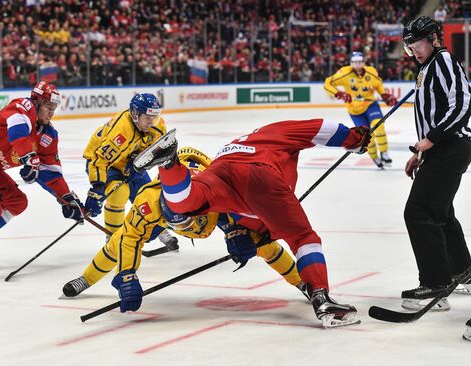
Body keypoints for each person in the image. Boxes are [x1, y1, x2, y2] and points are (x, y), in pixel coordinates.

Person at [134, 119, 371, 328]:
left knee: (187, 203)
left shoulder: (242, 140)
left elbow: (246, 208)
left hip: (222, 166)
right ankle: (322, 298)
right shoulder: (277, 131)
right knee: (302, 238)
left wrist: (238, 231)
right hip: (259, 172)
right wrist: (354, 139)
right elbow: (323, 127)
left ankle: (168, 164)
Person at [63, 147, 309, 307]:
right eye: (177, 223)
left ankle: (302, 282)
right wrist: (127, 275)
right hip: (181, 201)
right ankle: (86, 278)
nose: (185, 227)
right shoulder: (149, 202)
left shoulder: (214, 191)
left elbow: (249, 209)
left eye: (187, 220)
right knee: (119, 240)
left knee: (263, 244)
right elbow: (130, 239)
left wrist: (239, 231)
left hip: (210, 203)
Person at [0, 81, 84, 279]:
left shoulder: (48, 136)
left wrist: (67, 198)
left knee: (16, 201)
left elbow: (52, 174)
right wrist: (29, 158)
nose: (51, 113)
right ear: (37, 102)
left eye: (54, 108)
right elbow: (18, 132)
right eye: (48, 107)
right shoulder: (24, 106)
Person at [400, 16, 471, 314]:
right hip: (442, 149)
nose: (414, 52)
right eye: (409, 48)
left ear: (433, 39)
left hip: (451, 146)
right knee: (440, 211)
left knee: (418, 211)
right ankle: (463, 270)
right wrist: (422, 151)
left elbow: (464, 103)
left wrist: (432, 139)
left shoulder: (442, 61)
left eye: (417, 45)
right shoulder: (427, 67)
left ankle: (435, 283)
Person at [82, 93, 178, 252]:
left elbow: (157, 150)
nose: (151, 122)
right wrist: (97, 189)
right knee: (119, 193)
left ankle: (160, 231)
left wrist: (140, 166)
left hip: (132, 163)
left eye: (154, 117)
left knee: (149, 196)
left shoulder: (157, 125)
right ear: (135, 113)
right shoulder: (121, 130)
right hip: (106, 164)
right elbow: (100, 160)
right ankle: (112, 240)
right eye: (147, 117)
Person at [324, 51, 398, 168]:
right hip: (355, 111)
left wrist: (384, 95)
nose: (357, 65)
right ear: (351, 63)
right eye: (355, 62)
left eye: (360, 62)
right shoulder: (344, 72)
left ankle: (384, 153)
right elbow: (328, 83)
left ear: (364, 62)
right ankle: (375, 157)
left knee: (378, 126)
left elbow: (378, 84)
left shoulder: (371, 71)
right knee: (367, 137)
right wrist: (338, 93)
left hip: (370, 104)